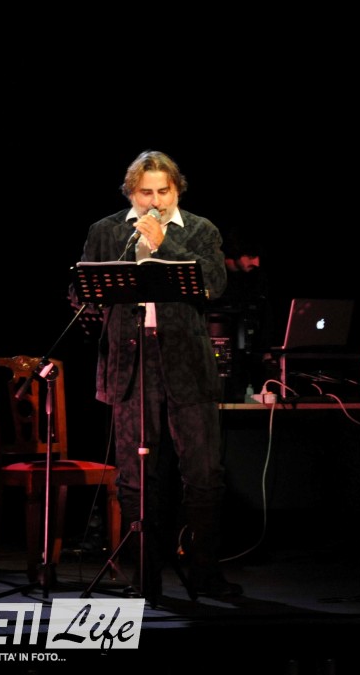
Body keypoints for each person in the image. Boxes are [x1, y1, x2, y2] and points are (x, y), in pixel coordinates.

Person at [72, 150, 240, 600]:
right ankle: (144, 576)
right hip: (131, 363)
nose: (155, 201)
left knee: (203, 472)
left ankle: (205, 573)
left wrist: (165, 242)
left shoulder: (200, 229)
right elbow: (82, 288)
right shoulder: (106, 230)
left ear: (176, 190)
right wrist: (86, 295)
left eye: (163, 191)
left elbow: (214, 283)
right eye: (145, 192)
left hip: (186, 361)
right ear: (131, 193)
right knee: (135, 476)